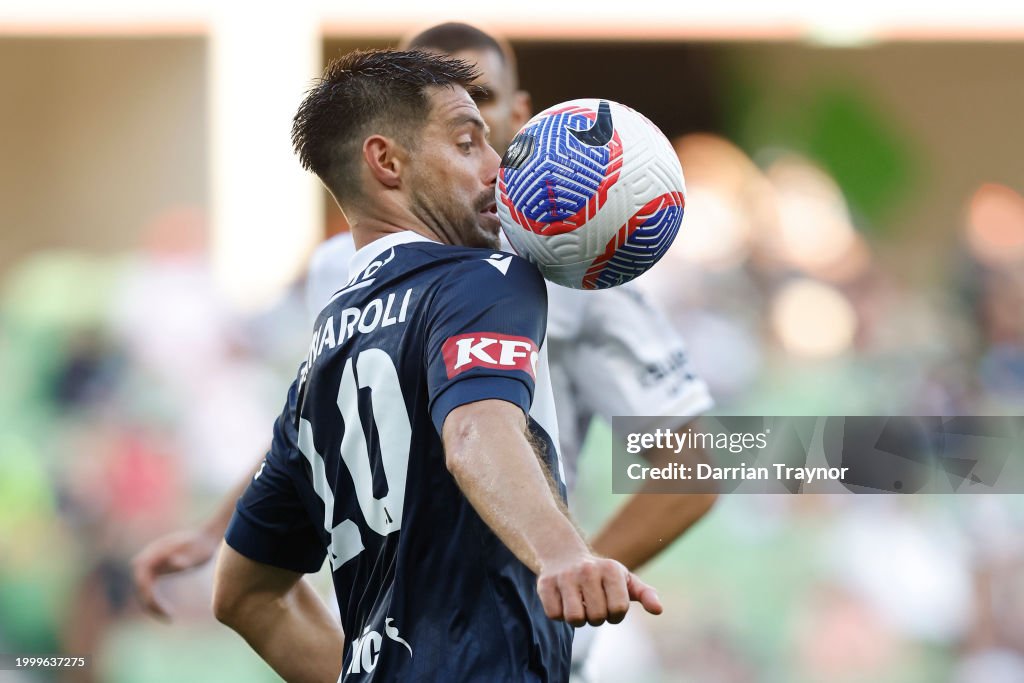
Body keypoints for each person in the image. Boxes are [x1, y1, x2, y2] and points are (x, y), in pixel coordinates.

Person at [133, 21, 713, 678]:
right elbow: (472, 429)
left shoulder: (339, 326)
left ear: (521, 114)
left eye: (492, 126)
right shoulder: (488, 274)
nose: (500, 165)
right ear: (386, 158)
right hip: (512, 623)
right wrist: (561, 561)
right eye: (468, 141)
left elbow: (249, 578)